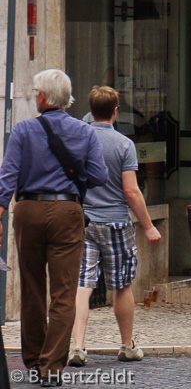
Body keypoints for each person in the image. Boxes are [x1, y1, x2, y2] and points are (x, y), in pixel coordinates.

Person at [0, 69, 108, 386]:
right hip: (67, 210)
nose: (35, 97)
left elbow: (8, 176)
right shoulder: (85, 132)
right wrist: (75, 181)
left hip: (30, 209)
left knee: (32, 288)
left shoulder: (23, 131)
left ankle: (33, 361)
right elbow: (99, 176)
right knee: (64, 293)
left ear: (44, 97)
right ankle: (51, 368)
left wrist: (2, 206)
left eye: (36, 92)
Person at [69, 87, 163, 367]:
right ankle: (126, 345)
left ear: (90, 109)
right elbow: (131, 191)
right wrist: (148, 226)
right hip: (116, 223)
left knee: (81, 286)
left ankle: (78, 347)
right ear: (116, 111)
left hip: (84, 221)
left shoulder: (79, 141)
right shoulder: (123, 144)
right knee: (122, 286)